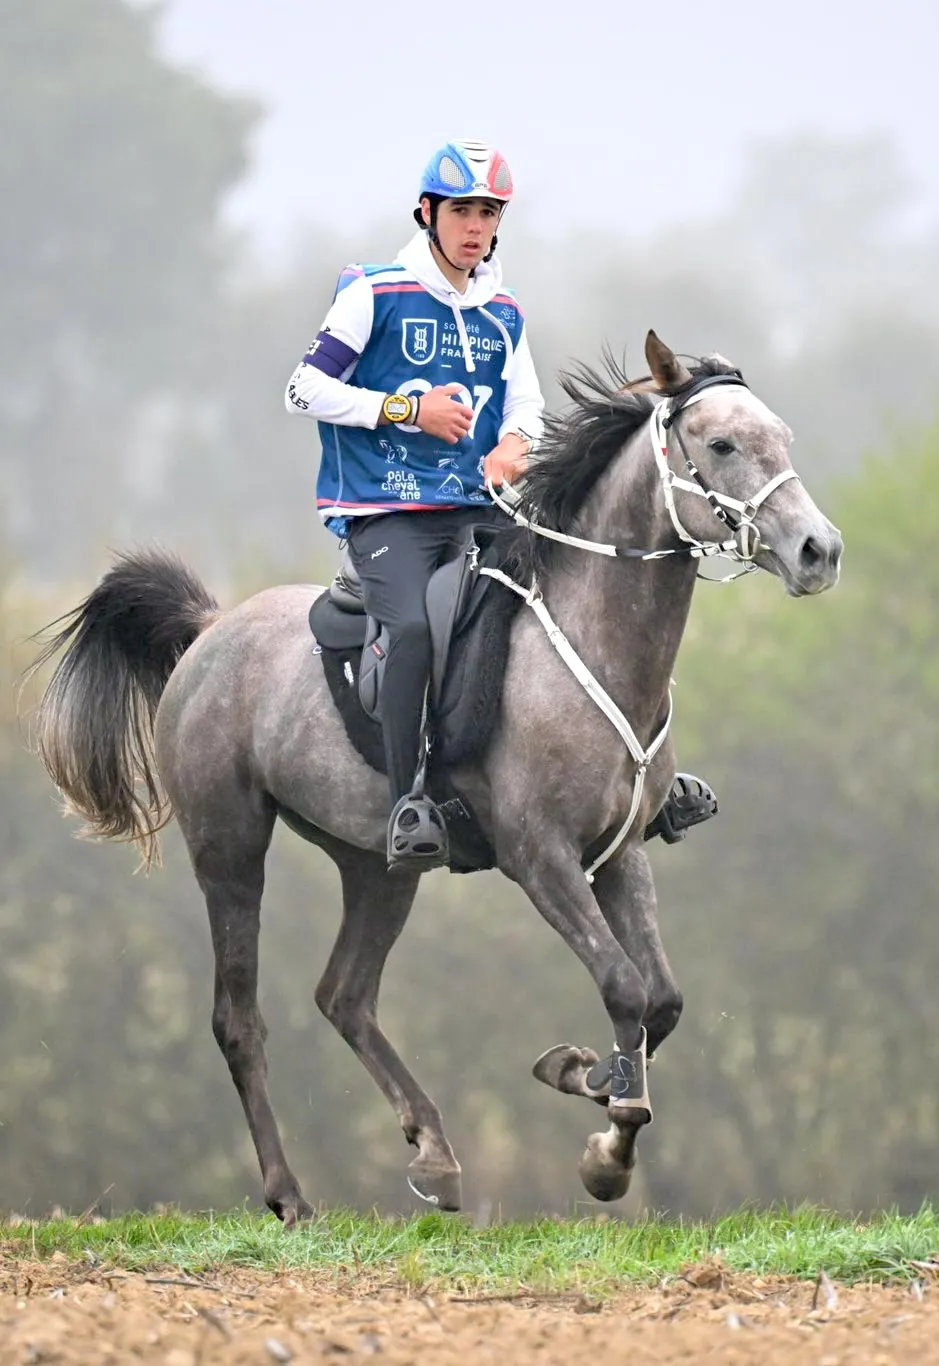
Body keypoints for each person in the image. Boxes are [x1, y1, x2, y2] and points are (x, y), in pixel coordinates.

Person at [285, 138, 545, 870]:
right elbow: (302, 389)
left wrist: (515, 447)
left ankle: (644, 776)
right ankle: (409, 803)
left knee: (578, 601)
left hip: (476, 509)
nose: (475, 226)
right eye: (461, 209)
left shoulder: (503, 313)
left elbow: (529, 406)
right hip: (385, 511)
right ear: (427, 212)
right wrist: (405, 408)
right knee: (411, 632)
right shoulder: (374, 291)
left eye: (488, 212)